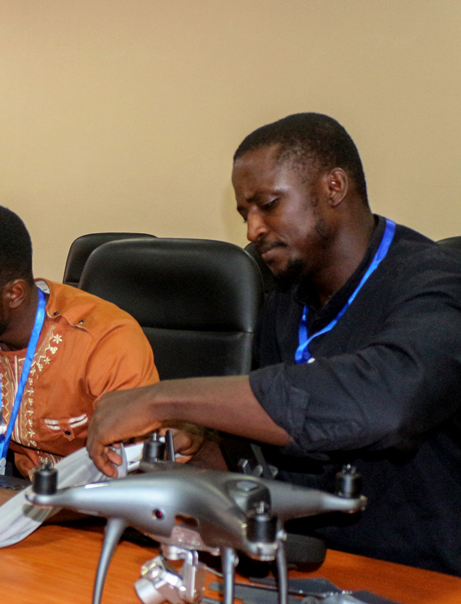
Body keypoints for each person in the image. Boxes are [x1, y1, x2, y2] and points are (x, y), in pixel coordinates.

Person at [85, 112, 461, 576]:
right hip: (305, 565)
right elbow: (270, 445)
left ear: (334, 187)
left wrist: (159, 398)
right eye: (246, 214)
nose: (253, 230)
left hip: (422, 579)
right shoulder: (285, 301)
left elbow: (385, 403)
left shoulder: (436, 284)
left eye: (268, 205)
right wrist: (195, 447)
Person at [0, 203, 159, 530]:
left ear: (13, 293)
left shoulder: (105, 341)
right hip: (18, 504)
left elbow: (134, 483)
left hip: (107, 522)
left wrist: (24, 505)